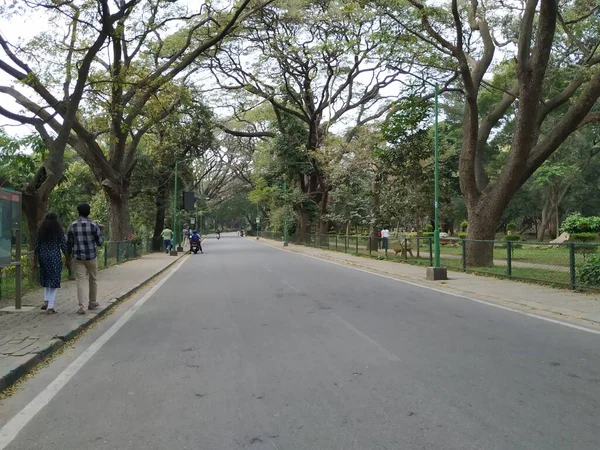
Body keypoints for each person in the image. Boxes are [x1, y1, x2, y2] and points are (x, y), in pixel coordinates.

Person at [67, 203, 104, 315]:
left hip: (78, 258)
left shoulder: (72, 225)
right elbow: (100, 243)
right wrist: (101, 232)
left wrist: (68, 256)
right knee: (93, 279)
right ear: (89, 212)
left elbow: (69, 243)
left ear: (78, 212)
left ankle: (81, 307)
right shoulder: (93, 225)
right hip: (91, 257)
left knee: (80, 281)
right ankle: (92, 302)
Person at [35, 213, 69, 314]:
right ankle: (50, 306)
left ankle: (46, 300)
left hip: (43, 255)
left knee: (46, 277)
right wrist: (68, 258)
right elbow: (63, 244)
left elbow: (37, 246)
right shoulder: (58, 230)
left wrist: (34, 261)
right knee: (54, 279)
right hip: (54, 255)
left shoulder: (40, 230)